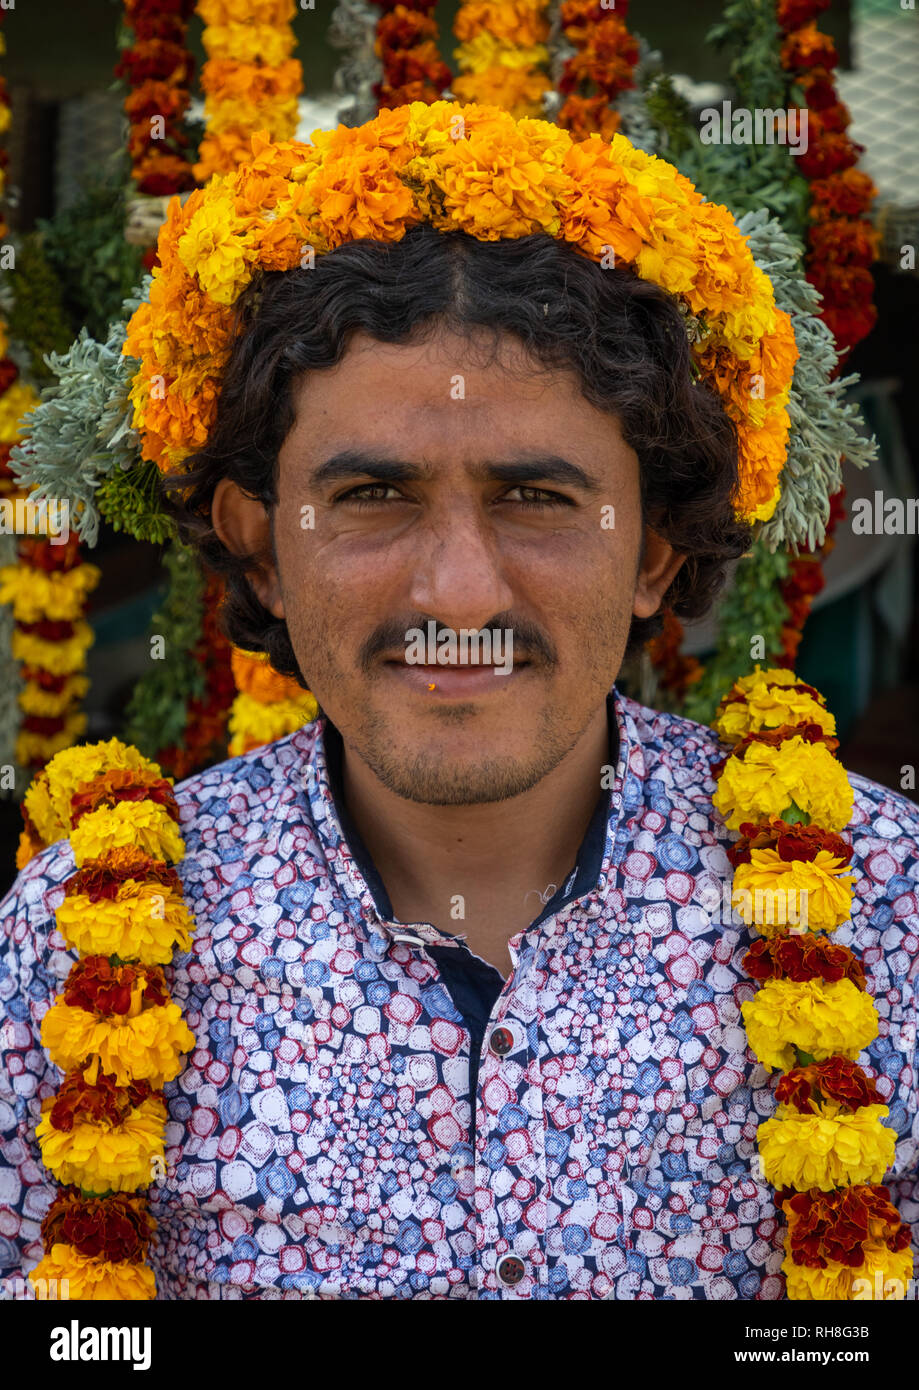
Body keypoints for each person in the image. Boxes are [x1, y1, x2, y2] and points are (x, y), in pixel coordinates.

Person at [1, 104, 917, 1301]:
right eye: (374, 493)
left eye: (536, 496)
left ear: (652, 552)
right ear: (261, 545)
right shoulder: (76, 935)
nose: (458, 591)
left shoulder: (882, 907)